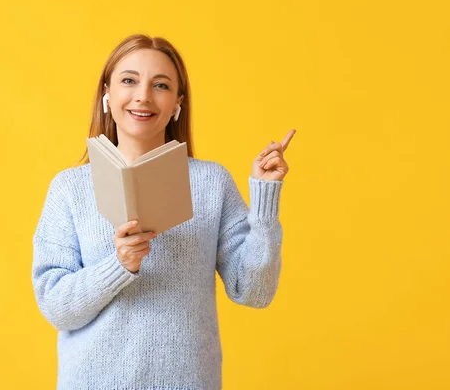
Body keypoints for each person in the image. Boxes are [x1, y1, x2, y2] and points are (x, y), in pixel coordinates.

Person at [31, 33, 296, 390]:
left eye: (161, 85)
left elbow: (254, 291)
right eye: (129, 80)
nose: (143, 96)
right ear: (106, 94)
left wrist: (265, 195)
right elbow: (56, 306)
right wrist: (118, 265)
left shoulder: (212, 183)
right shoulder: (70, 188)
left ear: (177, 104)